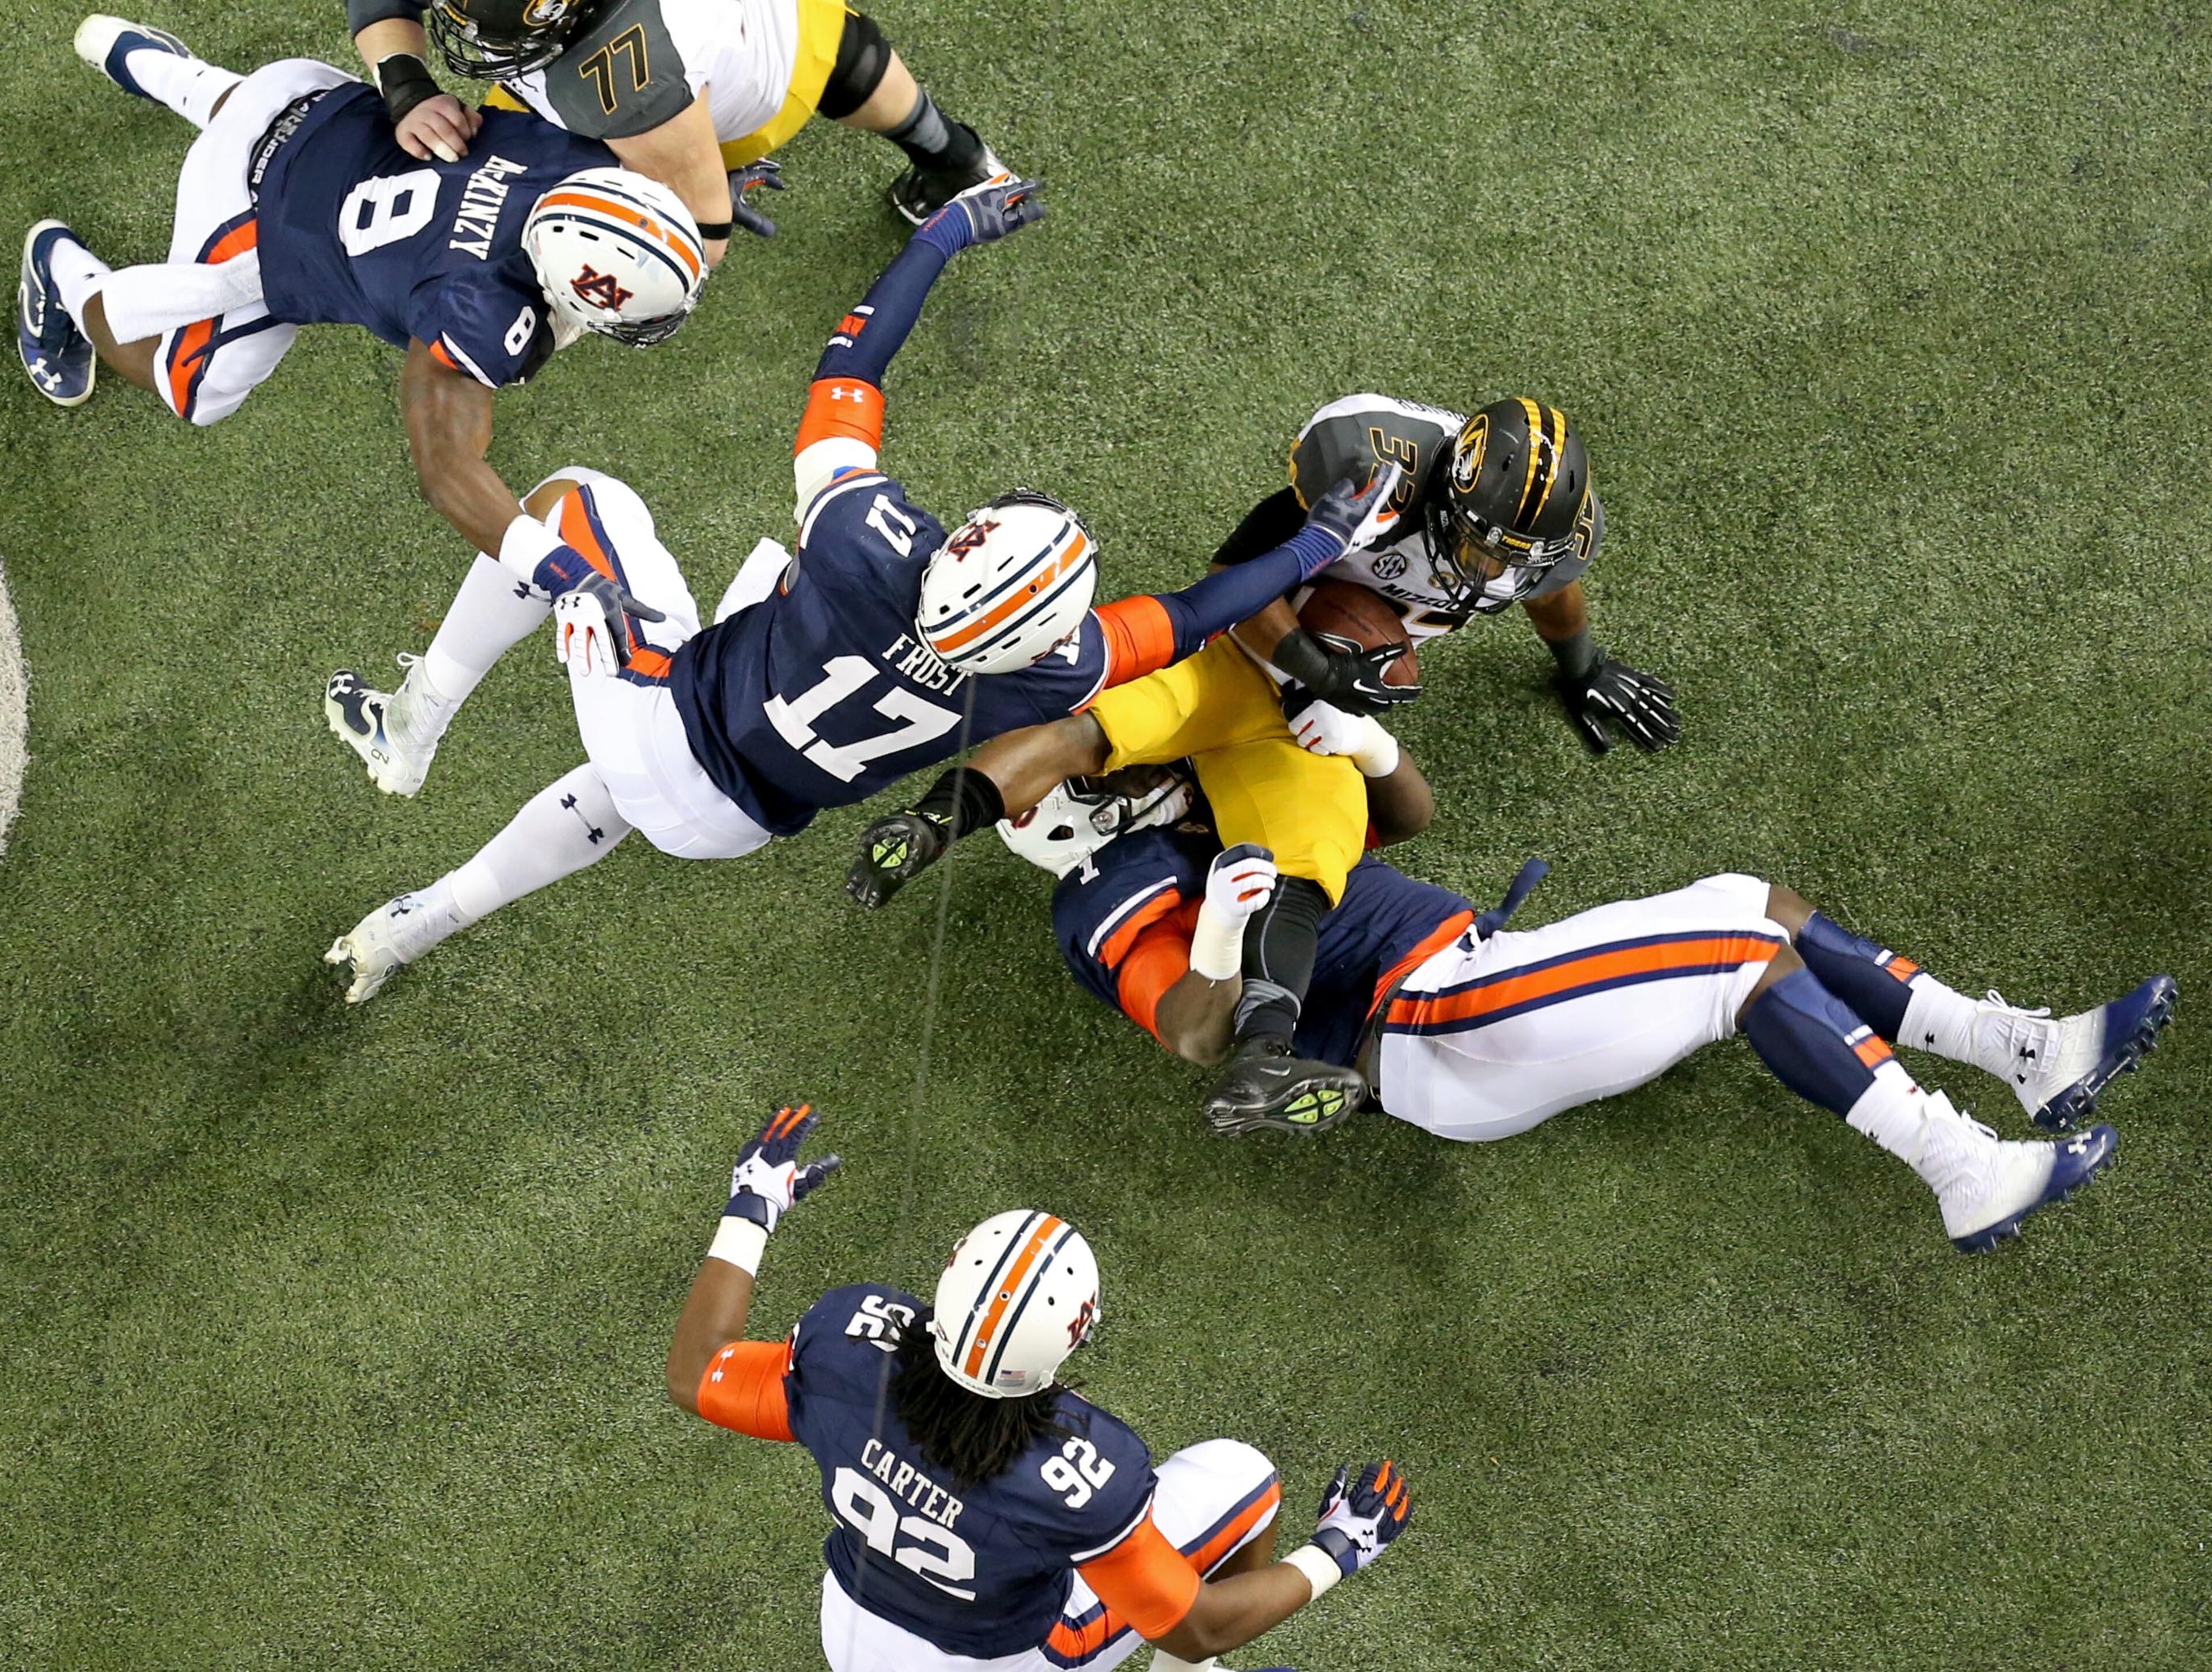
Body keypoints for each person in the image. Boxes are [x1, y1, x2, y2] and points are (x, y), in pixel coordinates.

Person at [320, 182, 1400, 1000]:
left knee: (575, 502)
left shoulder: (864, 542)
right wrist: (1321, 543)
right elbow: (1198, 614)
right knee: (620, 783)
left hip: (664, 718)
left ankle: (413, 720)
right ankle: (420, 921)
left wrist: (941, 236)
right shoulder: (1059, 670)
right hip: (732, 823)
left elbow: (851, 367)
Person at [843, 397, 1669, 1136]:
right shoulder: (1376, 467)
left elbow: (1545, 589)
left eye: (1516, 556)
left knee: (1255, 837)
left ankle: (1263, 1055)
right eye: (1485, 547)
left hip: (1295, 718)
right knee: (1109, 738)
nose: (1495, 571)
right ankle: (934, 822)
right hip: (1241, 658)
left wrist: (1582, 666)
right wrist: (1317, 668)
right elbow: (1235, 579)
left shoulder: (1535, 547)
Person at [994, 752, 2175, 1252]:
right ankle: (1964, 1168)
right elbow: (1196, 1033)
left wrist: (1358, 742)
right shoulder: (1109, 886)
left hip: (1471, 978)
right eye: (1103, 770)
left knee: (1748, 900)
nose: (1134, 761)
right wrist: (1214, 930)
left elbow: (1401, 817)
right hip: (1431, 1026)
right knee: (1739, 952)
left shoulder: (1200, 795)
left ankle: (2017, 1051)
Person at [664, 1104, 1412, 1670]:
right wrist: (1338, 1548)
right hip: (998, 1660)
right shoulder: (1081, 1475)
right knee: (1246, 1480)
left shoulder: (846, 1347)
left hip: (855, 1636)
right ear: (1073, 1336)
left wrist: (751, 1206)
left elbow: (698, 1373)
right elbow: (1198, 1624)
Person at [18, 17, 703, 570]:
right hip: (244, 209)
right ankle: (62, 278)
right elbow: (447, 472)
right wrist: (561, 573)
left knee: (264, 114)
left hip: (311, 94)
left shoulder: (580, 157)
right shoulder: (480, 310)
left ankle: (157, 67)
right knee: (194, 390)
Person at [347, 0, 1009, 248]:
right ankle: (955, 156)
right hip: (794, 25)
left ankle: (729, 157)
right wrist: (406, 85)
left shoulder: (620, 78)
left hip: (742, 95)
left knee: (510, 170)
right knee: (830, 41)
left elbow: (705, 235)